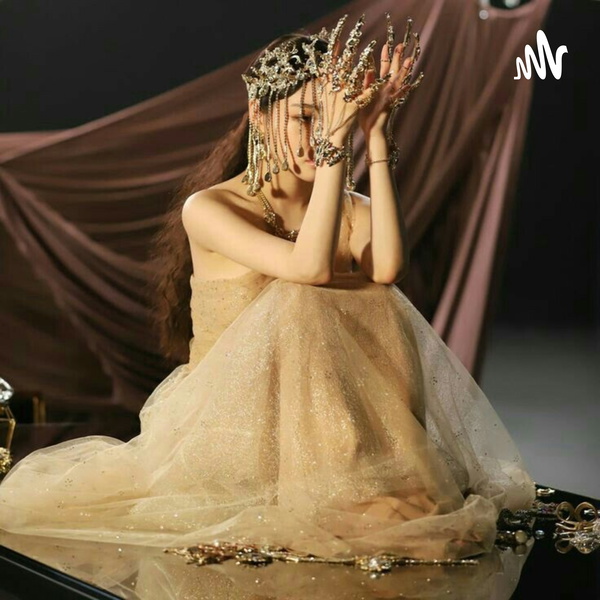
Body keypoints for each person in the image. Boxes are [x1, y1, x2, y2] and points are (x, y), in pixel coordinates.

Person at [0, 15, 535, 562]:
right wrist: (336, 145)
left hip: (336, 435)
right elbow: (308, 269)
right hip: (235, 432)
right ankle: (348, 491)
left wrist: (376, 137)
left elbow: (388, 269)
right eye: (306, 118)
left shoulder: (350, 206)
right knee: (301, 295)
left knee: (377, 296)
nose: (320, 136)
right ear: (258, 112)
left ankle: (376, 475)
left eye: (334, 119)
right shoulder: (211, 208)